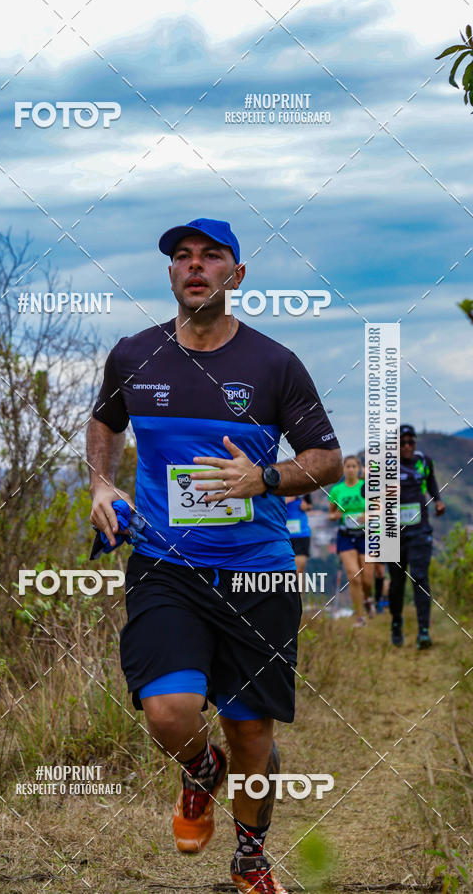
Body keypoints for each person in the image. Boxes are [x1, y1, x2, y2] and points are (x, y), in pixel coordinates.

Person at [87, 217, 343, 894]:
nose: (194, 266)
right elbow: (105, 422)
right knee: (170, 711)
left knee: (250, 730)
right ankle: (201, 773)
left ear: (236, 275)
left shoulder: (273, 364)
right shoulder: (135, 355)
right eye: (182, 257)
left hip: (257, 569)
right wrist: (102, 483)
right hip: (166, 565)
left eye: (211, 256)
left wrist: (265, 478)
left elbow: (328, 460)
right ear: (170, 274)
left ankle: (251, 861)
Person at [389, 424, 445, 649]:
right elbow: (366, 492)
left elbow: (431, 482)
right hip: (392, 533)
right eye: (402, 443)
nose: (406, 446)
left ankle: (424, 631)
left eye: (410, 442)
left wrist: (438, 500)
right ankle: (396, 623)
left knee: (420, 578)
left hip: (420, 530)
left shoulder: (424, 461)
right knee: (397, 583)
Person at [327, 455, 375, 626]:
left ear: (359, 468)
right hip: (346, 536)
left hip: (366, 535)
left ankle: (368, 598)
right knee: (354, 577)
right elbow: (330, 515)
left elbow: (378, 509)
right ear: (343, 468)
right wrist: (336, 515)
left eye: (354, 466)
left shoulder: (366, 487)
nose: (351, 469)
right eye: (348, 466)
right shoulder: (337, 490)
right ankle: (360, 617)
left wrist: (367, 516)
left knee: (367, 578)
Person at [285, 494, 312, 598]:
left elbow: (309, 505)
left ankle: (298, 601)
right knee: (286, 571)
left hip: (301, 535)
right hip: (284, 536)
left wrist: (307, 506)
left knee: (298, 570)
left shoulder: (303, 488)